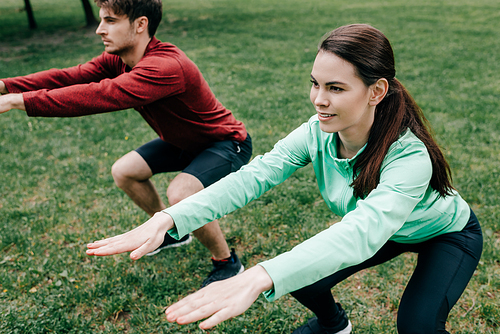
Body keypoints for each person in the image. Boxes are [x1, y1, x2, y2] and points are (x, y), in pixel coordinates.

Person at [85, 24, 483, 334]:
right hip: (386, 231)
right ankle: (334, 326)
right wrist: (171, 218)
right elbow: (253, 177)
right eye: (315, 83)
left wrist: (261, 276)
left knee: (416, 326)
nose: (318, 99)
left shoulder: (409, 157)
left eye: (336, 88)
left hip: (444, 235)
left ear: (376, 91)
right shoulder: (316, 132)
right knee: (306, 280)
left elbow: (362, 232)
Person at [0, 0, 252, 287]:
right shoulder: (119, 60)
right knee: (125, 171)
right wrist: (6, 85)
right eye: (101, 20)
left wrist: (17, 101)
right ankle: (175, 234)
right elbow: (70, 76)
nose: (99, 30)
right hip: (183, 142)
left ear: (140, 24)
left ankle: (227, 263)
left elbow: (100, 95)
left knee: (181, 193)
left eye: (110, 21)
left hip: (225, 143)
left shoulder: (165, 66)